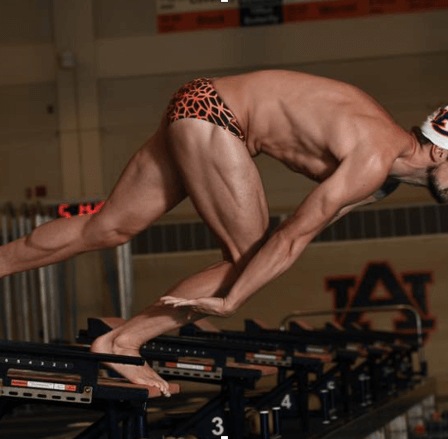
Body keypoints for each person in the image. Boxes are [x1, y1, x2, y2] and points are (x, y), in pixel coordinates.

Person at [1, 70, 447, 396]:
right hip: (217, 116)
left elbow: (299, 238)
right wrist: (232, 299)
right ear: (441, 149)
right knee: (246, 260)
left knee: (111, 226)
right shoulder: (374, 156)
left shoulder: (383, 178)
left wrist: (240, 292)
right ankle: (121, 343)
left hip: (201, 103)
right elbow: (288, 236)